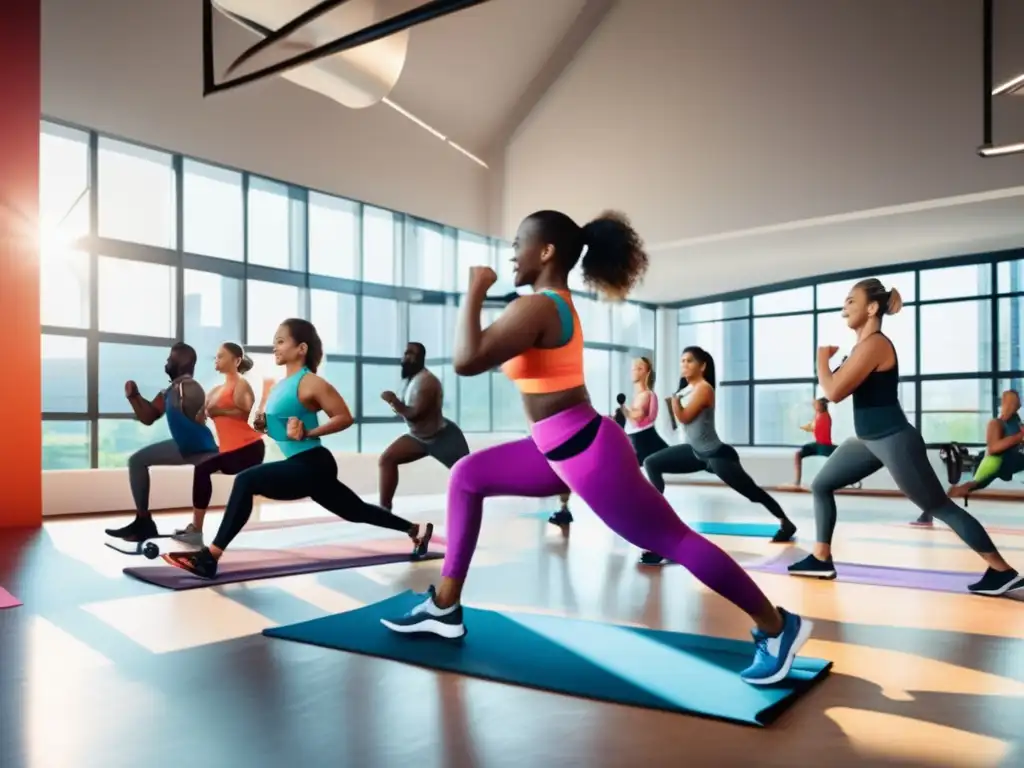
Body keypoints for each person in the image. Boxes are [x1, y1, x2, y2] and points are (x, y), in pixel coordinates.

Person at [380, 210, 813, 686]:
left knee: (672, 540)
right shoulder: (544, 306)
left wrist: (476, 290)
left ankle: (777, 627)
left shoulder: (540, 307)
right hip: (553, 448)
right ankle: (445, 606)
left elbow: (465, 360)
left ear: (546, 252)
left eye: (519, 242)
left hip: (585, 452)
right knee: (466, 476)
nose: (511, 253)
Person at [788, 278, 1023, 596]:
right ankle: (821, 558)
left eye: (850, 301)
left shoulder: (875, 345)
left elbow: (833, 391)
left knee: (939, 506)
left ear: (872, 308)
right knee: (822, 484)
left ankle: (1002, 571)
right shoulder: (862, 346)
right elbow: (839, 386)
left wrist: (821, 357)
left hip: (895, 439)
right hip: (868, 441)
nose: (844, 307)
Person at [162, 319, 433, 579]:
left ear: (301, 348)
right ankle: (416, 529)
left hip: (313, 463)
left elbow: (344, 417)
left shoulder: (310, 382)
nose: (275, 347)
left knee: (247, 480)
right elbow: (286, 430)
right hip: (303, 463)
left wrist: (310, 431)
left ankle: (210, 557)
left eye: (281, 341)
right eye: (274, 342)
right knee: (356, 510)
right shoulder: (281, 386)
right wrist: (265, 426)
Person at [639, 346, 798, 563]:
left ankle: (786, 523)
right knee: (652, 462)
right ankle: (656, 516)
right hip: (695, 452)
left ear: (702, 366)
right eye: (682, 361)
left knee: (752, 493)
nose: (684, 365)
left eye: (689, 361)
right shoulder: (687, 389)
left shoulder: (704, 389)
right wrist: (674, 402)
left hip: (717, 455)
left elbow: (684, 417)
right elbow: (680, 424)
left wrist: (674, 402)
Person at [105, 343, 220, 543]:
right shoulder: (170, 391)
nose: (166, 363)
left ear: (182, 362)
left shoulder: (190, 387)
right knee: (137, 461)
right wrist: (134, 397)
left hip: (201, 447)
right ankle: (143, 522)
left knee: (139, 461)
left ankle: (180, 528)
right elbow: (148, 417)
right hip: (184, 446)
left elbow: (201, 409)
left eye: (170, 359)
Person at [171, 343, 267, 546]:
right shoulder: (215, 390)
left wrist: (219, 412)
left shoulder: (241, 385)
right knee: (202, 468)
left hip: (249, 448)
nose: (217, 360)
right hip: (230, 450)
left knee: (203, 468)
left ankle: (196, 529)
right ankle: (196, 529)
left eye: (221, 356)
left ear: (237, 361)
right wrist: (190, 412)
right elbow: (201, 417)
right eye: (216, 357)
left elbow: (244, 412)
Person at [377, 342, 470, 512]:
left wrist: (393, 401)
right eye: (405, 353)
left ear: (420, 358)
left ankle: (472, 506)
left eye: (411, 354)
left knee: (468, 475)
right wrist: (396, 402)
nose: (406, 357)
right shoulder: (410, 380)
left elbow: (414, 413)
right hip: (419, 437)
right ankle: (384, 510)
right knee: (387, 459)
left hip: (442, 437)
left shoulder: (427, 382)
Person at [920, 389, 1024, 520]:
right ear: (1005, 403)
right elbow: (993, 448)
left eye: (1018, 402)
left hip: (1012, 461)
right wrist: (1019, 437)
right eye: (1014, 402)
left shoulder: (1016, 421)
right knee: (966, 487)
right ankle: (928, 512)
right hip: (994, 462)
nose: (1017, 405)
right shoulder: (996, 423)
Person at [620, 356, 669, 463]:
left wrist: (625, 410)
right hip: (638, 442)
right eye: (633, 368)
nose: (634, 371)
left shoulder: (646, 395)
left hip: (643, 443)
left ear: (647, 372)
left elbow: (638, 416)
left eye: (639, 368)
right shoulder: (638, 396)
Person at [790, 398, 837, 488]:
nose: (814, 406)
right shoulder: (817, 414)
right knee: (798, 454)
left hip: (825, 446)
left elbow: (822, 401)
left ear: (822, 406)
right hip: (817, 445)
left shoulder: (825, 415)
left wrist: (827, 399)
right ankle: (797, 481)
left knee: (838, 457)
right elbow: (813, 427)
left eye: (816, 405)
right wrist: (802, 427)